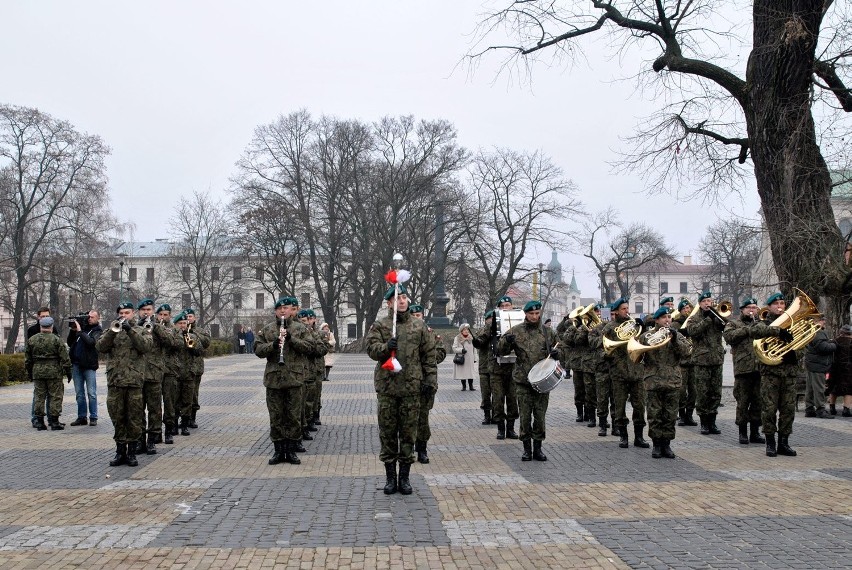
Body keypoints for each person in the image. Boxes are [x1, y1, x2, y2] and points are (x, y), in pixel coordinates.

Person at [366, 284, 436, 495]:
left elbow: (429, 356)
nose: (402, 301)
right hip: (388, 387)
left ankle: (404, 477)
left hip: (411, 387)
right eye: (397, 298)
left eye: (404, 297)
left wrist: (430, 381)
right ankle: (390, 478)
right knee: (387, 433)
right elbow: (371, 350)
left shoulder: (418, 326)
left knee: (408, 433)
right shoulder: (380, 325)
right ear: (389, 303)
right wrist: (386, 347)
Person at [497, 300, 560, 461]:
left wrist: (557, 354)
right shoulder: (516, 331)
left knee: (540, 416)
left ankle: (538, 448)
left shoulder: (548, 332)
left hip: (542, 382)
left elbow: (562, 349)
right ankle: (526, 449)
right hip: (523, 381)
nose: (534, 316)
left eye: (537, 313)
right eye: (531, 314)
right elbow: (500, 351)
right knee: (525, 416)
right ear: (525, 314)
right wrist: (506, 342)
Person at [255, 296, 314, 465]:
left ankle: (291, 450)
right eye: (279, 308)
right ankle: (278, 451)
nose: (283, 311)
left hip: (294, 379)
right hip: (274, 380)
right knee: (276, 416)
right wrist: (273, 345)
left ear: (291, 310)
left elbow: (309, 347)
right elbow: (258, 350)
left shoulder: (300, 328)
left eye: (286, 308)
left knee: (293, 417)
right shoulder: (267, 330)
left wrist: (291, 340)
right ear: (275, 311)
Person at [96, 302, 153, 467]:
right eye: (121, 313)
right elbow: (100, 346)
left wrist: (129, 330)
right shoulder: (111, 331)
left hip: (134, 382)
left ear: (133, 313)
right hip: (115, 382)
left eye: (127, 313)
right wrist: (113, 332)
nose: (124, 316)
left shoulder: (142, 330)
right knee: (117, 416)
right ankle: (120, 451)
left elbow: (146, 347)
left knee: (134, 418)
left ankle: (132, 452)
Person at [637, 307, 691, 459]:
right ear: (657, 320)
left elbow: (687, 352)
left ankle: (666, 444)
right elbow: (636, 356)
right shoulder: (646, 336)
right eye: (664, 318)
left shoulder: (677, 335)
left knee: (670, 414)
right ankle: (656, 444)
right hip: (653, 380)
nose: (667, 320)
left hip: (672, 381)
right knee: (654, 414)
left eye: (669, 317)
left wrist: (674, 340)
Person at [750, 291, 800, 457]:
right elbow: (755, 331)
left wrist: (796, 349)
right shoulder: (764, 322)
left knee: (788, 410)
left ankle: (783, 443)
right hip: (771, 374)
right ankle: (770, 442)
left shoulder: (793, 323)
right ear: (769, 307)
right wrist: (777, 332)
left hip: (789, 372)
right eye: (776, 304)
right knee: (769, 409)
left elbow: (802, 345)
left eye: (782, 304)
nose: (780, 307)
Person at [600, 297, 649, 449]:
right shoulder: (609, 328)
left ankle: (639, 437)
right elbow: (602, 350)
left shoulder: (634, 325)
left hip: (636, 371)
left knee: (639, 405)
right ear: (616, 311)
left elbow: (645, 342)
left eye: (627, 308)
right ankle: (623, 436)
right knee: (619, 406)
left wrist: (644, 328)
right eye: (623, 309)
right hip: (619, 373)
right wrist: (610, 353)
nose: (627, 311)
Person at [472, 295, 519, 440]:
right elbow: (483, 338)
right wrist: (477, 341)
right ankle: (500, 428)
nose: (505, 308)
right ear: (499, 308)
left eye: (507, 305)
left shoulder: (518, 323)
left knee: (512, 399)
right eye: (502, 306)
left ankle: (510, 428)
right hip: (496, 368)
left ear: (511, 306)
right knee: (497, 399)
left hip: (512, 367)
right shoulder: (492, 324)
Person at [723, 298, 766, 444]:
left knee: (758, 402)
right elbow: (729, 337)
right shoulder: (734, 323)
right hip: (743, 369)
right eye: (749, 308)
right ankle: (742, 432)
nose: (752, 310)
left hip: (759, 368)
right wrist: (747, 330)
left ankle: (755, 432)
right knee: (742, 402)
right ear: (742, 309)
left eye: (754, 307)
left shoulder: (760, 323)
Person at [685, 291, 726, 436]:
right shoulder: (694, 318)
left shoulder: (716, 316)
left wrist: (720, 320)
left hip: (716, 359)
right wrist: (707, 320)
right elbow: (692, 332)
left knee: (715, 393)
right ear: (700, 303)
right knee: (703, 393)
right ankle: (704, 423)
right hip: (702, 361)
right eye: (705, 301)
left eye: (709, 301)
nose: (708, 303)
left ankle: (712, 422)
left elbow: (726, 327)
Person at [409, 303, 444, 464]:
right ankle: (408, 448)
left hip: (427, 381)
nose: (417, 318)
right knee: (408, 417)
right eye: (414, 316)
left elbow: (441, 352)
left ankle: (422, 449)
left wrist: (428, 356)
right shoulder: (406, 334)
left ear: (423, 316)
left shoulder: (431, 334)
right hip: (409, 381)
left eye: (419, 315)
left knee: (423, 417)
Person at [26, 316, 72, 431]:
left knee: (39, 396)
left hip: (38, 371)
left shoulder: (32, 340)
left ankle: (40, 422)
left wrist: (30, 372)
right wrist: (68, 372)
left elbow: (27, 360)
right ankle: (54, 422)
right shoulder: (57, 340)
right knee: (55, 396)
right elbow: (65, 358)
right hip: (54, 371)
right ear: (51, 326)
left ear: (41, 326)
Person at [66, 310, 102, 427]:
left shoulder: (98, 330)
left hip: (89, 366)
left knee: (91, 393)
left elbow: (91, 342)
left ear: (98, 318)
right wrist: (73, 330)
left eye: (92, 317)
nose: (89, 319)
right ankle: (81, 417)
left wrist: (80, 332)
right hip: (76, 365)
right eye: (88, 317)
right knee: (79, 394)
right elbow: (70, 342)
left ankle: (93, 417)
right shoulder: (82, 328)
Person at [155, 304, 184, 445]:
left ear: (170, 316)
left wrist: (161, 332)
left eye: (165, 315)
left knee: (169, 402)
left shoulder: (175, 329)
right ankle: (156, 432)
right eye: (160, 315)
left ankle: (168, 431)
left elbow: (177, 344)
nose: (162, 317)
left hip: (170, 370)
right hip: (154, 370)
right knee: (155, 404)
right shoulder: (151, 328)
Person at [28, 307, 59, 428]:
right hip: (38, 367)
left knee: (51, 395)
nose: (45, 318)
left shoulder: (54, 329)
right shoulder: (32, 330)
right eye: (43, 316)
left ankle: (51, 419)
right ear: (38, 316)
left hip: (51, 368)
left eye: (47, 316)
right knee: (38, 395)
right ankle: (36, 418)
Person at [671, 298, 698, 427]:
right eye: (684, 309)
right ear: (680, 311)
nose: (687, 310)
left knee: (693, 390)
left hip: (693, 361)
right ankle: (681, 415)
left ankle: (689, 415)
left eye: (688, 308)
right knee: (681, 391)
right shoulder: (675, 324)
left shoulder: (694, 322)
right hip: (681, 362)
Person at [804, 315, 836, 419]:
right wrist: (834, 344)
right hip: (818, 364)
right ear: (816, 321)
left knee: (810, 388)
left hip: (812, 364)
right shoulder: (818, 332)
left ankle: (809, 409)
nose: (824, 322)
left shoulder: (809, 331)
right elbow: (823, 347)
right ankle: (820, 409)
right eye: (822, 320)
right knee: (819, 388)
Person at [184, 308, 211, 429]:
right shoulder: (179, 329)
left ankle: (192, 418)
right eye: (186, 317)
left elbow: (206, 343)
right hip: (183, 367)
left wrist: (193, 334)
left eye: (190, 316)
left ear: (194, 318)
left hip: (196, 367)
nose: (188, 319)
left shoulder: (200, 331)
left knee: (194, 394)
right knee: (183, 394)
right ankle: (183, 418)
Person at [473, 310, 495, 425]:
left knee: (497, 394)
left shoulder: (499, 331)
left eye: (493, 318)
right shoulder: (481, 331)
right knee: (485, 394)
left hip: (496, 368)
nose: (491, 321)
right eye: (489, 319)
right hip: (484, 367)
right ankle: (487, 415)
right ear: (486, 320)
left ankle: (496, 415)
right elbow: (478, 342)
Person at [827, 324, 852, 416]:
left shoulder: (834, 341)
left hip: (834, 368)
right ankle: (846, 410)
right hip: (848, 369)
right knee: (849, 390)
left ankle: (832, 408)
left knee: (834, 388)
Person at [452, 323, 477, 392]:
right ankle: (464, 386)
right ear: (461, 331)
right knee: (462, 373)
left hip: (470, 359)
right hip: (462, 358)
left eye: (467, 330)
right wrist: (461, 350)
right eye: (465, 330)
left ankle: (471, 386)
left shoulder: (471, 338)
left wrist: (475, 358)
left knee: (470, 373)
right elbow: (454, 348)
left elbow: (474, 349)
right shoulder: (457, 338)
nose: (466, 331)